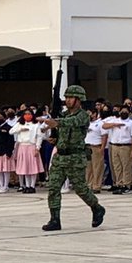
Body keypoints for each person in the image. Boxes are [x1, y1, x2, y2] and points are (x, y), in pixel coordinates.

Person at [41, 85, 105, 231]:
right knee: (53, 188)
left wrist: (56, 122)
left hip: (75, 157)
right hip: (60, 156)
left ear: (79, 99)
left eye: (71, 98)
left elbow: (72, 123)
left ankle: (97, 207)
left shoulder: (83, 115)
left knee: (81, 188)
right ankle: (54, 219)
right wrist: (55, 138)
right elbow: (62, 133)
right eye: (67, 97)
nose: (68, 100)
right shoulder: (63, 115)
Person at [10, 110, 45, 194]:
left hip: (31, 145)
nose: (27, 115)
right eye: (25, 114)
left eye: (29, 114)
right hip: (22, 146)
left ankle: (32, 186)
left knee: (32, 167)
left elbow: (39, 137)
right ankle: (27, 185)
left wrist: (37, 148)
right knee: (25, 167)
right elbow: (11, 131)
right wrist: (20, 129)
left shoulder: (36, 125)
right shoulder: (19, 124)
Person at [102, 107, 132, 193]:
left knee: (126, 166)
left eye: (126, 111)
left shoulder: (131, 123)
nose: (124, 113)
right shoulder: (115, 121)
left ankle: (126, 184)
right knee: (117, 166)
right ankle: (119, 183)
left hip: (126, 146)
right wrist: (114, 125)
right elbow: (104, 126)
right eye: (122, 111)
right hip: (114, 146)